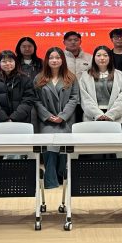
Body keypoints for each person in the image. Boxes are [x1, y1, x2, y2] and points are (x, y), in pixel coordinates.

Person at [33, 47, 79, 188]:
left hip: (65, 119)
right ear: (47, 60)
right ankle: (50, 182)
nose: (54, 60)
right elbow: (36, 100)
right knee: (49, 148)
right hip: (46, 121)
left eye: (57, 58)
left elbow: (74, 98)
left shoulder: (71, 77)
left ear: (62, 60)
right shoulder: (39, 78)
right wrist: (47, 116)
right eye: (51, 58)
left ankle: (61, 176)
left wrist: (62, 116)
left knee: (64, 149)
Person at [79, 46, 122, 128]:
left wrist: (111, 115)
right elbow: (85, 99)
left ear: (110, 58)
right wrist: (97, 114)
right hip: (92, 117)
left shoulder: (121, 75)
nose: (102, 58)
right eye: (98, 55)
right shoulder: (85, 76)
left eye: (105, 55)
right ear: (94, 58)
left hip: (116, 118)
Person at [0, 50, 37, 124]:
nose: (7, 63)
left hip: (21, 119)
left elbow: (28, 100)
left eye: (10, 61)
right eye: (4, 61)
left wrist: (14, 118)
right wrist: (3, 118)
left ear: (15, 62)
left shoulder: (25, 79)